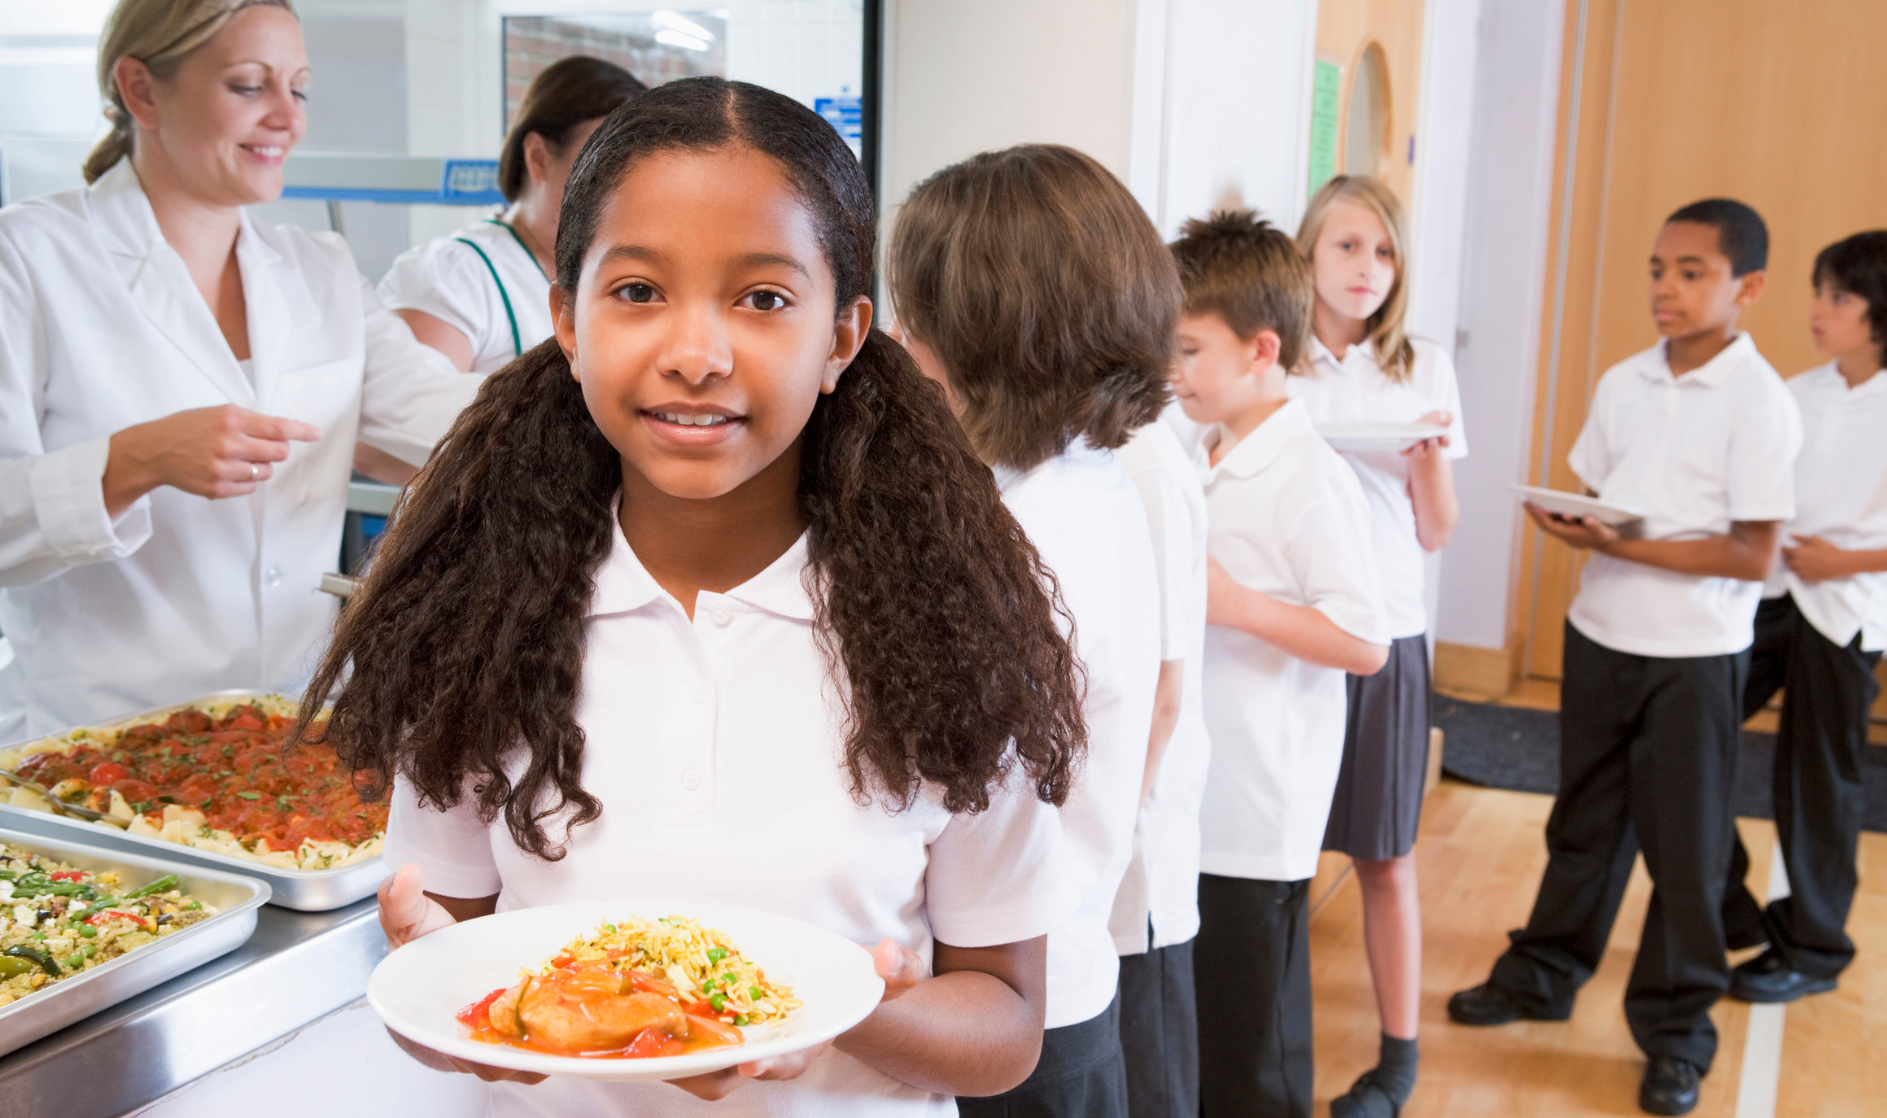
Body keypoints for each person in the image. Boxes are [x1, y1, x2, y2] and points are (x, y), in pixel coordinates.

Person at [323, 77, 1089, 1117]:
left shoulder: (946, 636)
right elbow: (446, 961)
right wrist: (457, 1011)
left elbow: (1005, 1023)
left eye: (763, 298)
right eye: (638, 291)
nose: (696, 354)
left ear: (843, 337)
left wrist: (822, 1004)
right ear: (568, 318)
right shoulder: (477, 622)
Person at [0, 0, 479, 740]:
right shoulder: (30, 257)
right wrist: (135, 460)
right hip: (95, 743)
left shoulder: (317, 271)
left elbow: (451, 422)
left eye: (300, 88)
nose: (289, 118)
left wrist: (611, 366)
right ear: (142, 91)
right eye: (250, 86)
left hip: (293, 728)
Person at [1449, 198, 1800, 1117]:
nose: (1665, 288)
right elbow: (1604, 496)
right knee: (1582, 827)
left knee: (1684, 856)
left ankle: (1676, 1031)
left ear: (1746, 287)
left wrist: (1616, 543)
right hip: (1600, 637)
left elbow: (1753, 556)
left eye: (1691, 272)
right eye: (1656, 269)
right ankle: (1542, 975)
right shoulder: (1622, 382)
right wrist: (1580, 525)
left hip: (1694, 657)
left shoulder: (1760, 402)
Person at [888, 144, 1168, 1118]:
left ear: (979, 339)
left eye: (912, 321)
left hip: (1006, 1005)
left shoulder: (1021, 538)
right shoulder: (1092, 480)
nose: (893, 342)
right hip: (1060, 976)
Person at [1170, 210, 1389, 1118]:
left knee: (1257, 1048)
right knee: (1212, 1034)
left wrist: (1241, 607)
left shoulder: (1308, 475)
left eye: (1186, 350)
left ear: (1260, 350)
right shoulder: (1200, 450)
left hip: (1259, 809)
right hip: (1201, 794)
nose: (1169, 370)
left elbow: (1365, 640)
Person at [1290, 174, 1465, 1118]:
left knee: (1384, 856)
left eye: (1384, 252)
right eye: (1348, 246)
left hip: (1387, 631)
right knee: (1280, 850)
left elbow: (1436, 530)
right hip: (1292, 632)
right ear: (1308, 251)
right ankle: (1269, 1036)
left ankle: (1397, 1057)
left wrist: (1424, 458)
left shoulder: (1422, 367)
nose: (1366, 269)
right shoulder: (1274, 361)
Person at [1720, 230, 1887, 1004]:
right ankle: (1727, 907)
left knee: (1814, 786)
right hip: (1771, 597)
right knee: (1692, 736)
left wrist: (1844, 563)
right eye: (1820, 292)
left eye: (1839, 298)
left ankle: (1814, 949)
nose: (1819, 310)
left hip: (1845, 610)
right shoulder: (1797, 391)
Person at [360, 56, 644, 485]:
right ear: (537, 156)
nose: (621, 189)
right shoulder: (458, 274)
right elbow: (379, 444)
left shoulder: (621, 272)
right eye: (601, 165)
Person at [1107, 404, 1210, 1118]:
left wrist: (1103, 850)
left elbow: (1163, 691)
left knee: (1151, 1082)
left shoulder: (1144, 458)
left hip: (1130, 852)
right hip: (1080, 856)